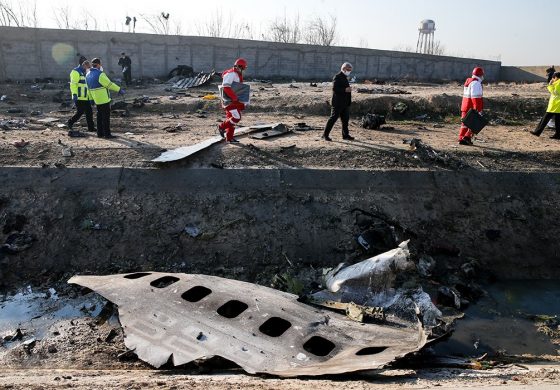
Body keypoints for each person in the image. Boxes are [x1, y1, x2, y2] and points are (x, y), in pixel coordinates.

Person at [85, 58, 125, 138]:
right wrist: (119, 89)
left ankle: (100, 133)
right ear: (99, 64)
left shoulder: (87, 75)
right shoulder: (100, 74)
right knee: (106, 117)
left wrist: (91, 99)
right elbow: (109, 84)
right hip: (104, 99)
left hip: (96, 99)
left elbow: (88, 88)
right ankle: (107, 134)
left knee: (99, 116)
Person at [218, 58, 248, 143]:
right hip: (230, 100)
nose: (244, 70)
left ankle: (229, 138)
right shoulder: (232, 74)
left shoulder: (235, 73)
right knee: (236, 117)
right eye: (243, 68)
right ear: (240, 66)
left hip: (232, 99)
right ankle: (221, 127)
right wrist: (234, 97)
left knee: (230, 119)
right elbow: (226, 86)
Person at [322, 62, 354, 141]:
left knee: (345, 120)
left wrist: (348, 90)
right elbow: (335, 89)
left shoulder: (345, 77)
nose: (349, 71)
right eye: (348, 70)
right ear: (343, 69)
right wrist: (345, 89)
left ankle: (345, 135)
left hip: (345, 103)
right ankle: (325, 135)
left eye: (350, 70)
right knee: (333, 119)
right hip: (338, 103)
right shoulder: (337, 77)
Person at [67, 60, 95, 136]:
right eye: (88, 67)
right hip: (79, 97)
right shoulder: (75, 72)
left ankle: (91, 128)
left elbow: (87, 86)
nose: (89, 68)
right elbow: (73, 84)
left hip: (85, 97)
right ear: (84, 65)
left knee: (89, 112)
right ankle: (70, 122)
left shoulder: (85, 72)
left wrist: (90, 98)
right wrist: (74, 94)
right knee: (80, 112)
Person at [458, 67, 485, 146]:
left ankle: (461, 138)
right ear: (480, 75)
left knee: (465, 125)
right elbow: (475, 97)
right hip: (471, 107)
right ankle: (467, 138)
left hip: (465, 106)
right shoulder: (476, 83)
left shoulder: (469, 81)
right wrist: (477, 109)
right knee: (474, 124)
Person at [530, 72, 560, 139]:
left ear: (556, 77)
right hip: (557, 106)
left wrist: (550, 85)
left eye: (553, 78)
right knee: (558, 121)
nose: (552, 79)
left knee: (544, 119)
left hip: (555, 105)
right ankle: (558, 135)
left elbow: (555, 92)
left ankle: (537, 132)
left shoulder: (558, 83)